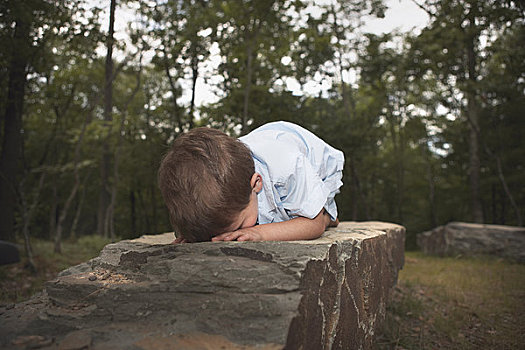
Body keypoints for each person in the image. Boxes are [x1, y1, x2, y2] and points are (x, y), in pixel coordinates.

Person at [158, 121, 344, 243]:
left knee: (305, 216)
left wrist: (260, 233)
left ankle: (329, 215)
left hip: (315, 162)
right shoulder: (227, 181)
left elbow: (312, 224)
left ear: (256, 184)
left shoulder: (288, 167)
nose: (227, 236)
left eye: (238, 226)